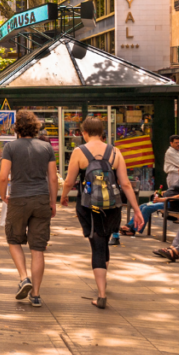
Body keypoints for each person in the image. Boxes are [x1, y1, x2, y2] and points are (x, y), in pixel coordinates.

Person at [60, 117, 143, 310]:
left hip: (88, 206)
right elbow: (125, 184)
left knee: (96, 244)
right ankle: (103, 281)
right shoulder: (115, 152)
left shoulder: (79, 152)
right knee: (104, 241)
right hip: (112, 206)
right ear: (102, 132)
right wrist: (136, 210)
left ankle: (101, 295)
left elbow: (69, 181)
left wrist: (63, 197)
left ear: (84, 133)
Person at [0, 112, 56, 307]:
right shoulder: (46, 147)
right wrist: (53, 202)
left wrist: (4, 195)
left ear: (17, 128)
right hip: (41, 200)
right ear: (35, 127)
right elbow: (53, 178)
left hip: (19, 199)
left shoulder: (10, 147)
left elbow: (4, 176)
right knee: (38, 248)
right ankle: (36, 295)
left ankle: (24, 278)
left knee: (14, 239)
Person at [114, 161, 179, 243]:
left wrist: (163, 199)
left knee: (147, 208)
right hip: (164, 201)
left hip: (172, 204)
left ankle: (133, 229)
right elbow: (173, 191)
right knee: (142, 206)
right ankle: (130, 226)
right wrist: (163, 192)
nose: (178, 170)